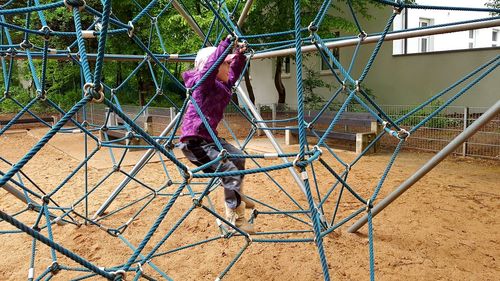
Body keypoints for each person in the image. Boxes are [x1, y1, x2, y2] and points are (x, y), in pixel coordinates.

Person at [179, 35, 255, 234]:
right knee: (230, 172)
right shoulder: (202, 84)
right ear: (212, 67)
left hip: (210, 139)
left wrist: (239, 55)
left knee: (238, 158)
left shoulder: (221, 86)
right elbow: (210, 68)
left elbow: (234, 74)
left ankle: (236, 195)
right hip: (194, 143)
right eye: (225, 63)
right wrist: (226, 44)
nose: (228, 67)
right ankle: (234, 219)